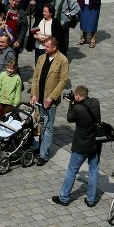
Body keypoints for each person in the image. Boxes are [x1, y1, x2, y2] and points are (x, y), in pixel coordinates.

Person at [53, 85, 102, 207]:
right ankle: (91, 200)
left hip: (81, 145)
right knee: (93, 171)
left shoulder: (78, 109)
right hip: (95, 144)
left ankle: (64, 198)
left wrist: (71, 104)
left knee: (72, 171)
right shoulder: (95, 102)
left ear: (78, 96)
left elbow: (70, 118)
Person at [30, 37, 69, 166]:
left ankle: (43, 155)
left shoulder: (62, 60)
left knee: (48, 127)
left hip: (50, 101)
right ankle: (38, 147)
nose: (44, 48)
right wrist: (34, 94)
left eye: (47, 46)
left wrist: (51, 97)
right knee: (39, 125)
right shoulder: (41, 58)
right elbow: (35, 77)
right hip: (39, 98)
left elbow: (62, 81)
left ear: (54, 47)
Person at [0, 60, 22, 124]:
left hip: (10, 102)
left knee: (6, 116)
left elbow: (18, 93)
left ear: (15, 69)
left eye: (12, 69)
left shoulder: (17, 78)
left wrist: (16, 104)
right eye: (8, 68)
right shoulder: (2, 74)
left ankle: (4, 128)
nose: (9, 70)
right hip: (1, 100)